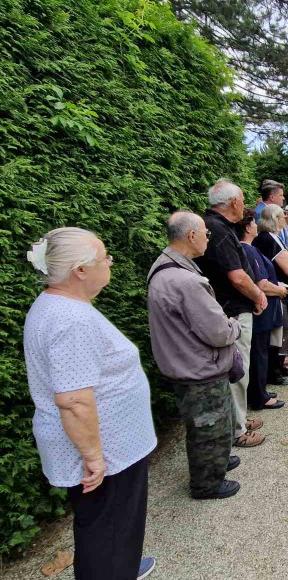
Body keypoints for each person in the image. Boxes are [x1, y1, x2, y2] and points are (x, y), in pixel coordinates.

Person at [24, 228, 157, 580]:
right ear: (80, 270)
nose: (110, 262)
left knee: (109, 526)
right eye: (104, 257)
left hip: (105, 445)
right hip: (104, 451)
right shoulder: (71, 319)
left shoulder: (57, 306)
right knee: (107, 528)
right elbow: (73, 400)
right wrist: (95, 457)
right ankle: (113, 568)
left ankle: (121, 565)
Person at [147, 211, 245, 500]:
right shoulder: (186, 281)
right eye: (205, 233)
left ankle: (218, 461)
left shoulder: (164, 267)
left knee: (212, 422)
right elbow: (218, 332)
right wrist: (235, 325)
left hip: (184, 361)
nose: (208, 238)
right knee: (208, 427)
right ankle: (207, 484)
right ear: (192, 236)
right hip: (198, 367)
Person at [195, 179, 267, 448]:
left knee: (237, 369)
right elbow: (237, 277)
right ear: (235, 202)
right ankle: (237, 429)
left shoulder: (213, 226)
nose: (245, 205)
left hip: (226, 309)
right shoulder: (220, 230)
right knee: (238, 370)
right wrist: (258, 295)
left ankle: (239, 417)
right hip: (233, 311)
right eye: (243, 200)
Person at [235, 207, 288, 408]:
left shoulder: (247, 249)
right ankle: (259, 396)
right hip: (261, 311)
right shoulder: (248, 250)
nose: (257, 225)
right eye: (253, 223)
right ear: (248, 228)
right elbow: (261, 283)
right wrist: (281, 291)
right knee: (258, 353)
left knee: (260, 351)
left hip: (263, 310)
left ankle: (260, 391)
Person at [253, 204, 288, 386]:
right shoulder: (268, 239)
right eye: (282, 216)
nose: (285, 219)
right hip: (277, 289)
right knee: (280, 330)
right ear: (276, 219)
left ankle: (279, 367)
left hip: (279, 288)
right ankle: (274, 371)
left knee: (283, 327)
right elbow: (286, 265)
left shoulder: (269, 237)